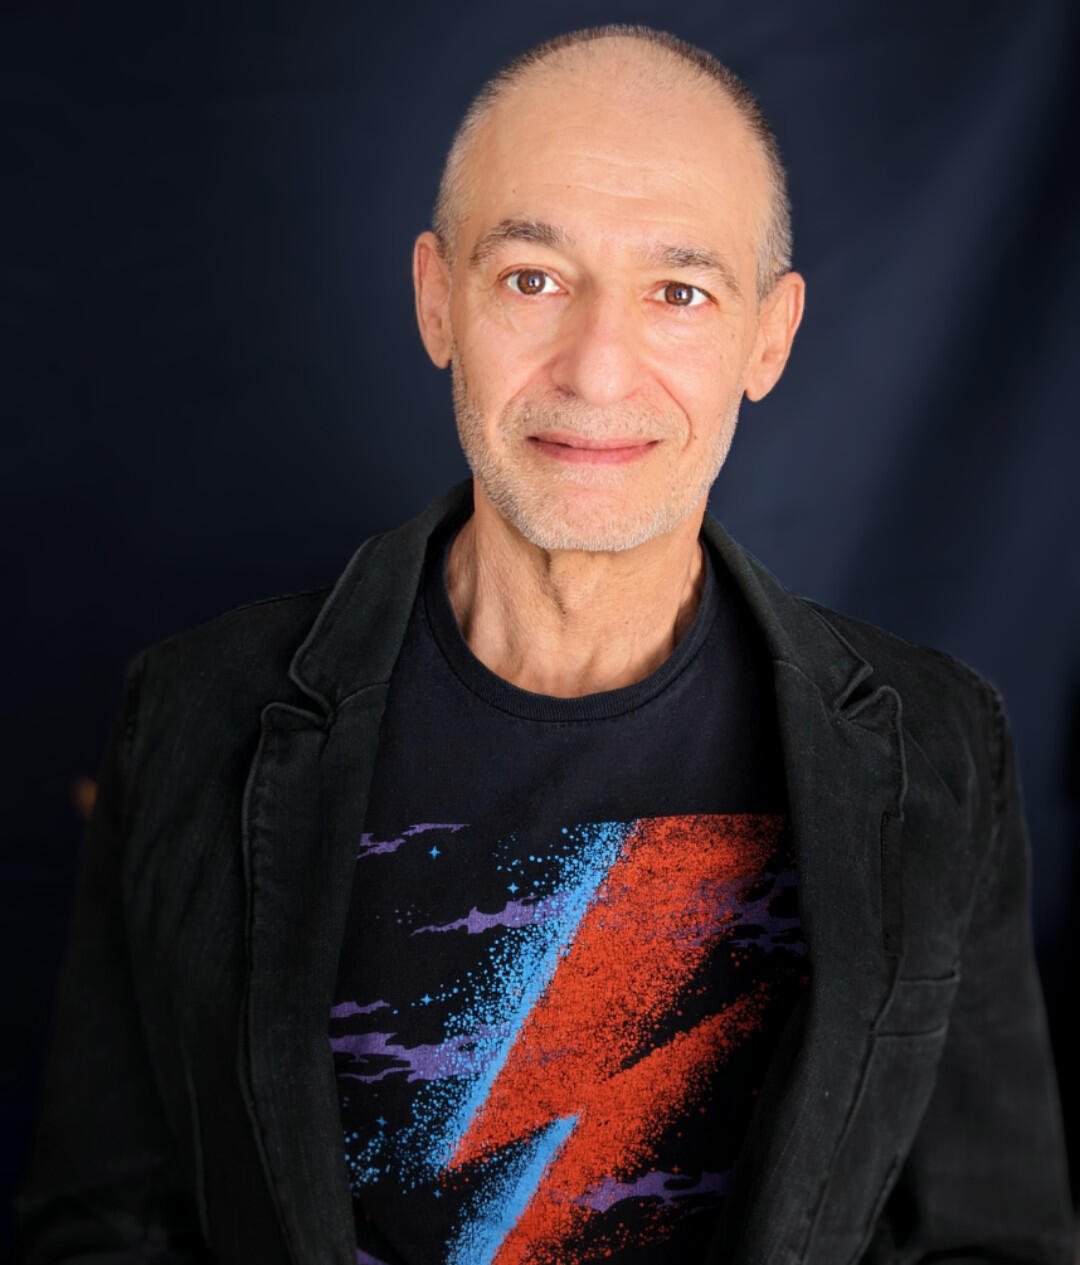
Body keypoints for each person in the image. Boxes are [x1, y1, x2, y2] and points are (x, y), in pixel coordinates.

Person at [18, 24, 1073, 1265]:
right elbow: (102, 1224)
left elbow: (993, 1236)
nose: (597, 369)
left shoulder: (936, 745)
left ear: (769, 337)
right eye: (532, 278)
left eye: (678, 292)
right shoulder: (196, 713)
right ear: (437, 299)